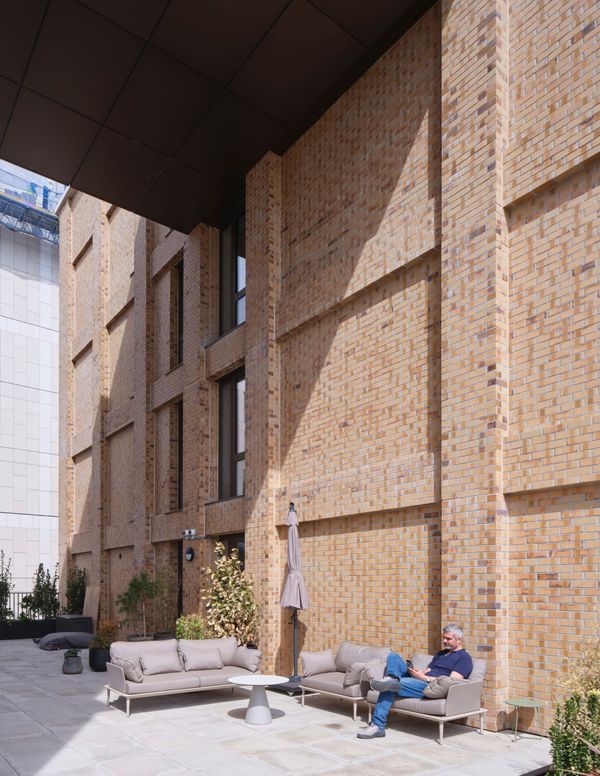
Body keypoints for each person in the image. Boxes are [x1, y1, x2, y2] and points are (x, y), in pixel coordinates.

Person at [357, 623, 473, 739]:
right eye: (444, 638)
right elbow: (428, 670)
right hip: (420, 680)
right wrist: (418, 673)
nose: (444, 641)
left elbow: (451, 681)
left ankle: (377, 726)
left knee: (390, 686)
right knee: (393, 656)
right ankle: (391, 677)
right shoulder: (441, 654)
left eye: (448, 639)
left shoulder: (464, 658)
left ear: (459, 640)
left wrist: (425, 678)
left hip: (431, 686)